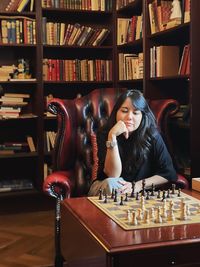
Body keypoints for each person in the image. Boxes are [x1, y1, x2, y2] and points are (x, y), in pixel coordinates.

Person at [88, 89, 177, 196]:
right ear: (116, 112)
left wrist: (138, 185)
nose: (129, 117)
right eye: (124, 111)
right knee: (112, 184)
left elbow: (168, 173)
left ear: (142, 116)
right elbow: (113, 174)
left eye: (135, 113)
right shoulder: (105, 133)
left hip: (137, 193)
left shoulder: (152, 135)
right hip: (104, 189)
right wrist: (112, 137)